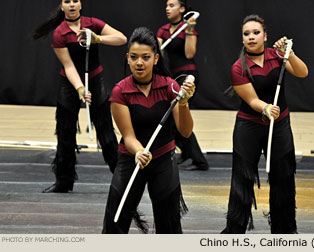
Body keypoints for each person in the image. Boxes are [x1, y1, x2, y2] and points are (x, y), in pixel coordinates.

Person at [102, 27, 195, 234]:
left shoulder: (170, 87)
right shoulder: (120, 91)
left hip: (163, 161)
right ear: (127, 58)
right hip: (131, 159)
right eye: (134, 57)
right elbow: (128, 136)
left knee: (169, 226)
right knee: (114, 224)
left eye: (145, 57)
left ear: (155, 59)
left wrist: (184, 103)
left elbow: (186, 132)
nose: (139, 63)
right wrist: (139, 152)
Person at [221, 14, 308, 234]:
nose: (251, 37)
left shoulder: (277, 56)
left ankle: (284, 232)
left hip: (279, 126)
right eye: (246, 34)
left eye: (256, 32)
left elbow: (302, 72)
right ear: (242, 39)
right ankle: (234, 233)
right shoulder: (238, 67)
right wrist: (266, 108)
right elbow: (251, 100)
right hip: (248, 127)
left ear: (265, 36)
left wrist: (289, 53)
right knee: (242, 182)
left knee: (283, 180)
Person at [33, 0, 127, 193]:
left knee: (106, 131)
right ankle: (63, 182)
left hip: (95, 78)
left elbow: (122, 38)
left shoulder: (93, 24)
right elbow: (68, 66)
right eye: (67, 2)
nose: (72, 5)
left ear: (81, 4)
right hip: (70, 83)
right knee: (65, 132)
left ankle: (122, 177)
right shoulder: (59, 33)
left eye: (75, 1)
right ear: (62, 6)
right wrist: (80, 89)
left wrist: (98, 38)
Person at [157, 0, 209, 171]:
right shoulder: (163, 30)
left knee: (180, 116)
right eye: (166, 5)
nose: (167, 8)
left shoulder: (189, 27)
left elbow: (189, 53)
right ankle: (186, 153)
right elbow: (159, 55)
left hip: (187, 76)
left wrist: (188, 30)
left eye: (172, 5)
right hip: (171, 77)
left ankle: (199, 160)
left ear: (182, 9)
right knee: (171, 119)